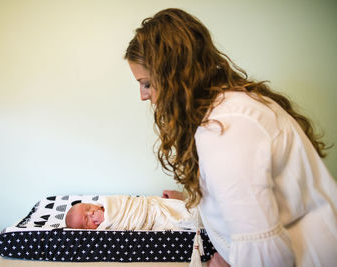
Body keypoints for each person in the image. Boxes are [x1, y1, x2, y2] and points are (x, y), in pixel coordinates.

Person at [125, 8, 337, 267]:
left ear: (174, 78)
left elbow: (265, 250)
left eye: (146, 83)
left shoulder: (228, 127)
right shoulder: (224, 112)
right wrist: (199, 200)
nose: (143, 96)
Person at [65, 195, 201, 230]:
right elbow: (121, 225)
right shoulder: (103, 228)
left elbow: (126, 203)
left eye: (88, 208)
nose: (91, 214)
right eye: (86, 221)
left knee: (182, 209)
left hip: (150, 207)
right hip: (151, 218)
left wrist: (107, 214)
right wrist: (106, 219)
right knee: (182, 222)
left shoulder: (108, 202)